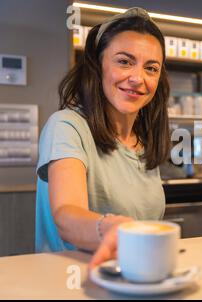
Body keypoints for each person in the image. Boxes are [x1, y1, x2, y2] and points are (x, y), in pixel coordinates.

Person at [35, 7, 170, 264]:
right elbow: (66, 214)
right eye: (124, 61)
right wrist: (110, 228)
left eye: (151, 68)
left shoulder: (144, 141)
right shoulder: (66, 126)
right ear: (97, 66)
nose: (138, 78)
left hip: (132, 279)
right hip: (72, 283)